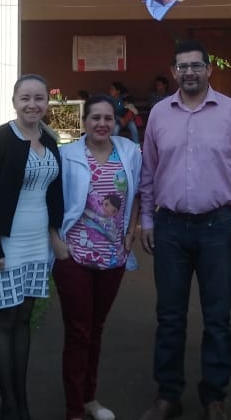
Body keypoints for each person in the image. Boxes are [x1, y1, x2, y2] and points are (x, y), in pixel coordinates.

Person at [139, 39, 231, 420]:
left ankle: (215, 397)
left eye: (196, 65)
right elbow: (148, 172)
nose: (189, 72)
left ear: (210, 70)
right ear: (174, 72)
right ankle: (168, 396)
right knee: (170, 316)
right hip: (171, 228)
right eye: (182, 66)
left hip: (218, 227)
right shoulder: (159, 114)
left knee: (217, 317)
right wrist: (147, 219)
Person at [0, 74, 66, 420]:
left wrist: (55, 235)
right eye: (25, 98)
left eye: (39, 98)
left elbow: (54, 192)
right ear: (14, 101)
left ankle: (21, 400)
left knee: (25, 318)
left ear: (47, 102)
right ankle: (9, 405)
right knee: (6, 319)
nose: (33, 104)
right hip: (6, 243)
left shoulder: (50, 139)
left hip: (37, 243)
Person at [54, 94, 142, 420]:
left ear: (115, 122)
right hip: (74, 256)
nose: (102, 124)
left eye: (108, 118)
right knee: (78, 332)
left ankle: (90, 399)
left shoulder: (129, 152)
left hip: (113, 257)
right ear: (84, 122)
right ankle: (74, 409)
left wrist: (131, 232)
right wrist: (58, 245)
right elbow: (52, 204)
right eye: (95, 118)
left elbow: (138, 195)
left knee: (96, 329)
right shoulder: (68, 156)